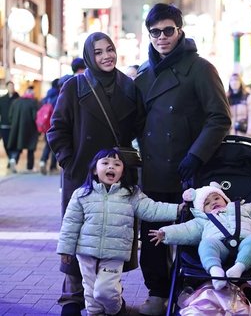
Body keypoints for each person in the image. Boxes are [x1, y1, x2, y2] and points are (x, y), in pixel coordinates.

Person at [134, 3, 231, 315]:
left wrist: (195, 155)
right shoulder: (143, 75)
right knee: (151, 239)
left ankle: (190, 288)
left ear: (179, 31)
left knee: (191, 235)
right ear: (148, 35)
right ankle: (157, 292)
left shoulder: (201, 68)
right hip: (151, 170)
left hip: (190, 173)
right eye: (155, 32)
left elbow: (220, 118)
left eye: (168, 31)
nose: (161, 38)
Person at [47, 32, 146, 316]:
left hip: (117, 173)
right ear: (90, 55)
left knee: (112, 233)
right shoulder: (75, 85)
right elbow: (57, 128)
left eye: (110, 50)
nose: (106, 56)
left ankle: (111, 295)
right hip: (82, 174)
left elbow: (138, 129)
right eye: (99, 52)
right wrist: (71, 163)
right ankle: (72, 296)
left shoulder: (129, 87)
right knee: (79, 233)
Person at [57, 149, 182, 315]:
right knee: (90, 294)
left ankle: (115, 310)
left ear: (122, 172)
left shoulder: (131, 194)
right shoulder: (82, 194)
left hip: (114, 253)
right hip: (86, 253)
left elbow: (152, 209)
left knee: (104, 291)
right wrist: (65, 249)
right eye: (105, 163)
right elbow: (70, 224)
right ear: (94, 169)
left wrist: (178, 210)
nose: (111, 167)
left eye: (117, 164)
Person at [149, 182, 251, 289]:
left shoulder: (245, 208)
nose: (214, 202)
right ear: (201, 209)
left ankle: (239, 267)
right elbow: (185, 230)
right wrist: (166, 233)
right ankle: (215, 271)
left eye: (217, 198)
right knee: (205, 244)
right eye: (207, 203)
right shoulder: (202, 220)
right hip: (219, 245)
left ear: (225, 199)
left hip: (246, 239)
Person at [7, 86, 39, 173]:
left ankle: (13, 159)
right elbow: (35, 117)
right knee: (31, 149)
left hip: (17, 129)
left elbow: (10, 116)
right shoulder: (33, 103)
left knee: (18, 147)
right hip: (30, 130)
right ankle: (29, 167)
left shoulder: (16, 102)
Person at [38, 79, 60, 175]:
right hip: (54, 125)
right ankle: (52, 167)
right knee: (55, 146)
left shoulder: (47, 97)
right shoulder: (59, 96)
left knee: (47, 145)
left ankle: (43, 161)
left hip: (46, 125)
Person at [227, 73, 251, 139]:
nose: (234, 82)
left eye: (236, 80)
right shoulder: (227, 98)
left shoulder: (248, 97)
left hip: (245, 136)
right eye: (232, 80)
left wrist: (250, 135)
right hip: (231, 136)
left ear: (240, 82)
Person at [0, 81, 20, 164]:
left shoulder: (18, 99)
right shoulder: (2, 99)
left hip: (15, 126)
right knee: (6, 144)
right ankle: (11, 158)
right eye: (9, 86)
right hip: (4, 125)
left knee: (15, 144)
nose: (11, 88)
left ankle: (13, 159)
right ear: (7, 87)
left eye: (12, 86)